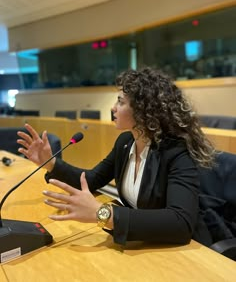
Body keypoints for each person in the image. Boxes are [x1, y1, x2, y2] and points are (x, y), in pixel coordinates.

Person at [17, 67, 215, 246]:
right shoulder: (125, 143)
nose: (113, 108)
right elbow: (93, 179)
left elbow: (180, 223)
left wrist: (103, 214)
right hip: (142, 245)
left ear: (144, 111)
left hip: (185, 251)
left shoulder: (176, 152)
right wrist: (51, 163)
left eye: (120, 102)